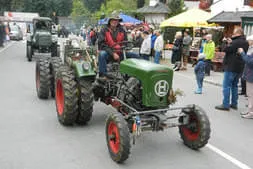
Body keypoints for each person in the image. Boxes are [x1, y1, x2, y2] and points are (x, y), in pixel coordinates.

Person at [215, 27, 249, 111]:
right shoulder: (245, 42)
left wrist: (224, 42)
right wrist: (230, 42)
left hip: (231, 66)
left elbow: (225, 49)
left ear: (238, 33)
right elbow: (235, 50)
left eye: (234, 33)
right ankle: (234, 104)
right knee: (235, 86)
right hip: (239, 67)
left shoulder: (236, 42)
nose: (233, 34)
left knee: (226, 86)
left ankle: (225, 104)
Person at [97, 11, 139, 78]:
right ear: (110, 21)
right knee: (102, 54)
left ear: (118, 21)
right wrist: (113, 53)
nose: (115, 21)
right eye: (113, 20)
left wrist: (127, 47)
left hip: (120, 52)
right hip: (108, 53)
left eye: (116, 20)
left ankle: (136, 76)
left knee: (136, 56)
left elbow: (125, 42)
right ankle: (103, 76)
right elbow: (101, 44)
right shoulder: (104, 30)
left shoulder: (122, 30)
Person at [238, 35, 253, 119]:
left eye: (249, 41)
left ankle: (251, 112)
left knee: (250, 94)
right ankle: (250, 110)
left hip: (251, 75)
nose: (248, 42)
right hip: (250, 74)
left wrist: (242, 53)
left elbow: (249, 62)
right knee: (250, 94)